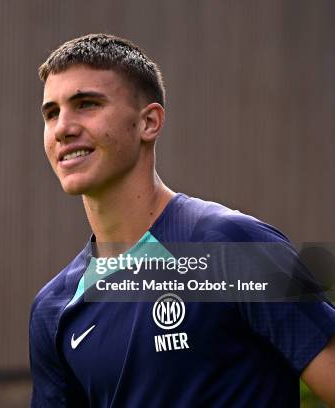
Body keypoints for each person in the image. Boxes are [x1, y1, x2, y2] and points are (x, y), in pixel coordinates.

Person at [29, 33, 335, 407]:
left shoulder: (237, 245)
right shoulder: (54, 308)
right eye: (51, 113)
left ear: (149, 123)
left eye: (87, 104)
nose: (63, 127)